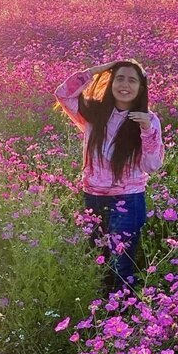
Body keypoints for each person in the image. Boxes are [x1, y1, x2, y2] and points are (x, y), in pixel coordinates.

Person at [54, 59, 165, 295]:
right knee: (99, 258)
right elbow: (63, 94)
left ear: (141, 88)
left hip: (128, 199)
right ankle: (104, 311)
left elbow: (152, 165)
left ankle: (121, 315)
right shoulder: (94, 113)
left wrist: (147, 131)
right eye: (119, 78)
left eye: (132, 80)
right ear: (110, 82)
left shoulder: (148, 120)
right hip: (93, 197)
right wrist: (98, 70)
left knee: (121, 262)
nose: (125, 85)